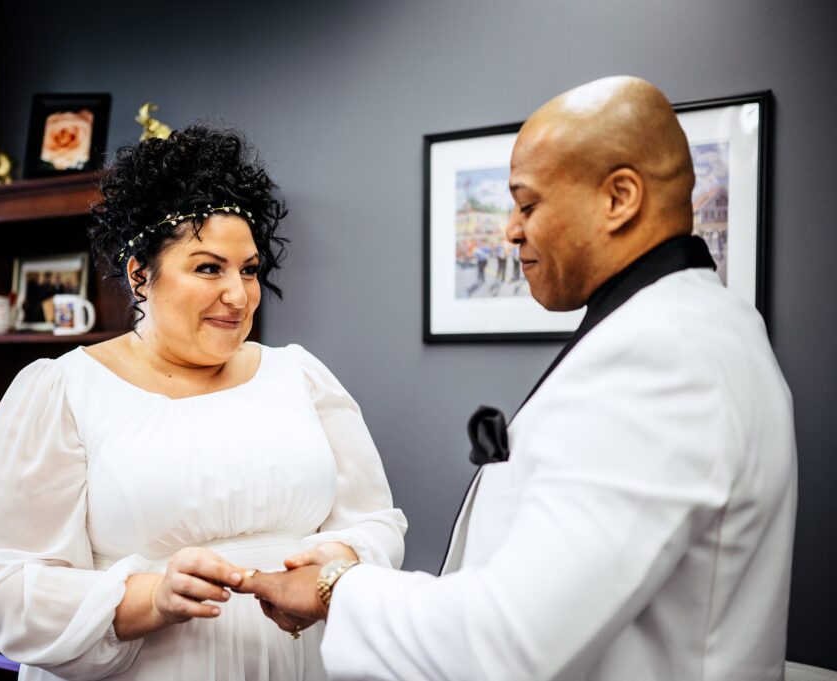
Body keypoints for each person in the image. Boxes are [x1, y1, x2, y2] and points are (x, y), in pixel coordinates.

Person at [237, 76, 797, 680]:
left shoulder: (663, 355)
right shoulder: (708, 323)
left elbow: (511, 641)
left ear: (620, 199)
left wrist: (338, 587)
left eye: (528, 204)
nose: (509, 230)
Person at [0, 124, 408, 681]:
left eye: (248, 269)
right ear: (140, 275)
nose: (239, 294)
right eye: (208, 268)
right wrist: (153, 597)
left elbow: (375, 520)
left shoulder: (300, 376)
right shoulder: (64, 392)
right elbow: (9, 591)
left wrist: (336, 565)